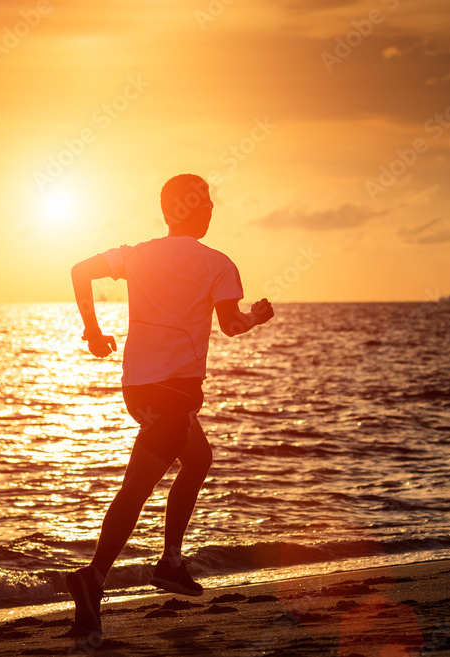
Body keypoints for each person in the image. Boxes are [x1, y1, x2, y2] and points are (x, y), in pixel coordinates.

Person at [66, 173, 274, 637]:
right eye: (206, 203)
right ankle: (94, 578)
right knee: (136, 488)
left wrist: (93, 331)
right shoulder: (219, 263)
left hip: (138, 389)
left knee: (198, 458)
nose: (212, 209)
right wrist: (258, 315)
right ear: (189, 210)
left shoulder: (137, 255)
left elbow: (80, 271)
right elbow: (232, 326)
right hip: (175, 393)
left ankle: (169, 561)